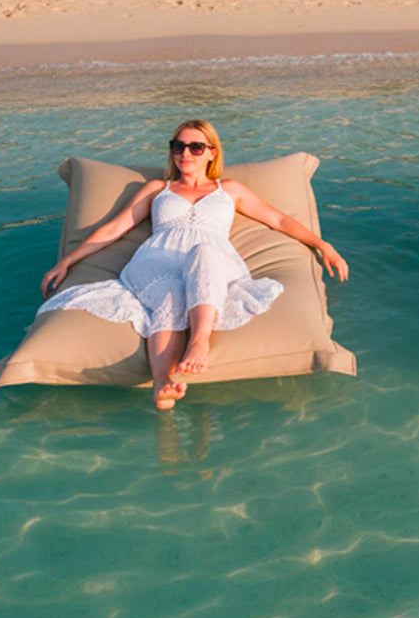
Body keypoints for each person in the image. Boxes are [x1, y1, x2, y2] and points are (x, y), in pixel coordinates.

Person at [39, 119, 349, 409]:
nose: (185, 153)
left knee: (204, 253)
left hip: (213, 259)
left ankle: (198, 343)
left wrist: (323, 245)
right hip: (157, 258)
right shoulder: (158, 190)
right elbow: (114, 229)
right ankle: (162, 383)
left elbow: (278, 218)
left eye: (195, 147)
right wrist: (66, 262)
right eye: (178, 146)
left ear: (212, 152)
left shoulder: (228, 190)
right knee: (172, 290)